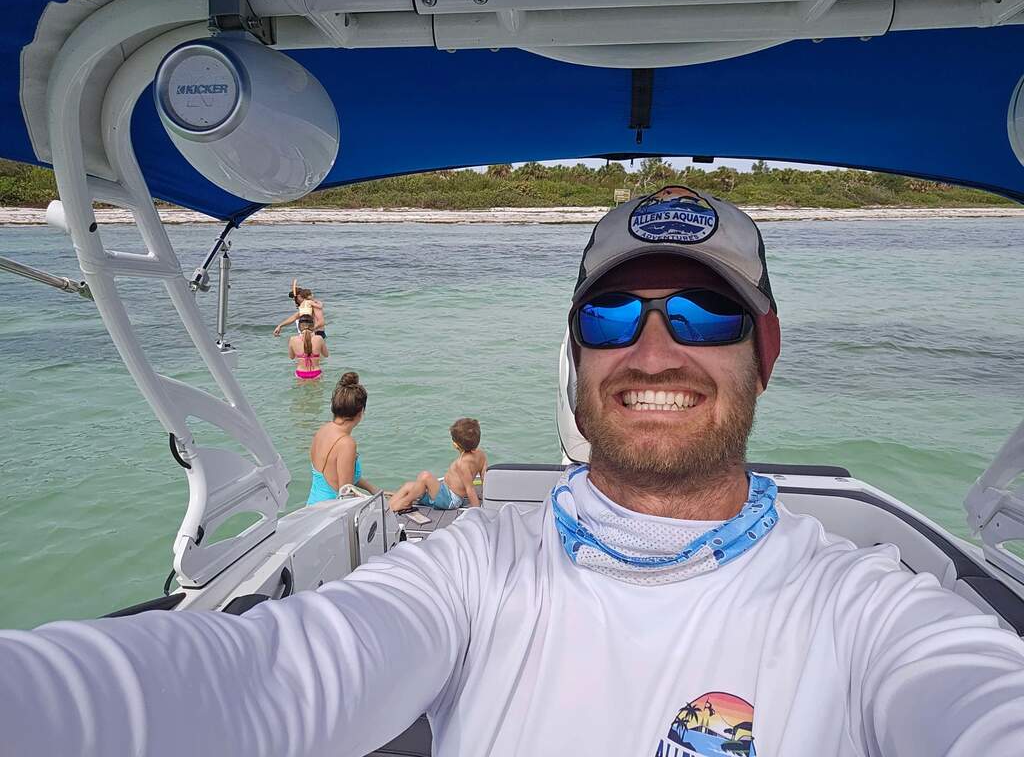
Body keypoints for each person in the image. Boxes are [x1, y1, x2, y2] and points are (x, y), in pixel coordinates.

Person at [2, 187, 1024, 757]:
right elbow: (266, 679)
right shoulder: (473, 568)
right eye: (613, 317)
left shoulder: (865, 607)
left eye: (705, 316)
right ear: (577, 355)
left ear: (765, 350)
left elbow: (977, 703)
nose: (655, 351)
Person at [306, 372, 381, 504]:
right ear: (361, 412)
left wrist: (373, 489)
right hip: (330, 514)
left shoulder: (323, 430)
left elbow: (335, 476)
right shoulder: (346, 444)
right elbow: (345, 495)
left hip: (313, 507)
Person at [388, 418, 488, 511]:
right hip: (445, 492)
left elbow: (469, 488)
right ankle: (387, 508)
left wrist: (477, 512)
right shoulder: (481, 455)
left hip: (450, 500)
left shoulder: (462, 464)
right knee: (408, 486)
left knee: (425, 476)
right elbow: (485, 478)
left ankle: (406, 503)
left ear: (455, 444)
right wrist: (487, 495)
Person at [289, 316, 329, 381]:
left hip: (300, 373)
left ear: (299, 327)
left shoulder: (292, 339)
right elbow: (326, 355)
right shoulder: (319, 338)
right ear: (313, 326)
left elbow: (292, 357)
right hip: (316, 373)